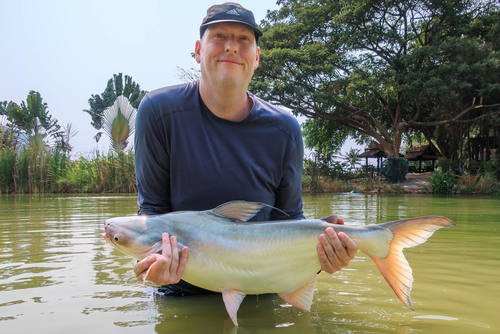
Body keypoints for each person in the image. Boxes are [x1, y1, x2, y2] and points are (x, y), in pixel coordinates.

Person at [133, 2, 358, 294]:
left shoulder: (285, 129)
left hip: (262, 287)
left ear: (257, 56)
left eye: (243, 39)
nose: (231, 47)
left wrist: (323, 256)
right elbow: (151, 212)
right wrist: (149, 261)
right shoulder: (157, 111)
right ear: (199, 50)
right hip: (181, 289)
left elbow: (289, 221)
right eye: (219, 36)